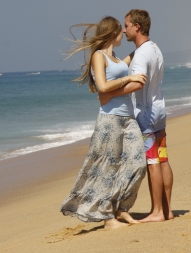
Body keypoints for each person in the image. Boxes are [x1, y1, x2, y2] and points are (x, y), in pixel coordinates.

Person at [60, 16, 148, 229]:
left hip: (128, 118)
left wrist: (145, 45)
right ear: (113, 33)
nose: (123, 35)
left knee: (138, 164)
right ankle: (109, 219)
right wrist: (128, 79)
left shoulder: (117, 59)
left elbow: (128, 61)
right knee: (108, 169)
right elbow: (102, 87)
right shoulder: (99, 56)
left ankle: (121, 208)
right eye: (121, 31)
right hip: (109, 120)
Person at [98, 9, 174, 222]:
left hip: (145, 114)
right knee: (163, 159)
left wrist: (110, 94)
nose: (124, 30)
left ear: (137, 27)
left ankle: (157, 211)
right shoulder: (154, 48)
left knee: (153, 162)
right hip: (159, 110)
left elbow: (137, 82)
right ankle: (167, 210)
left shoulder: (141, 54)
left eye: (127, 25)